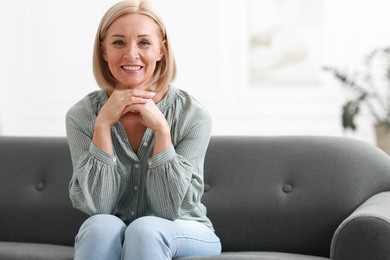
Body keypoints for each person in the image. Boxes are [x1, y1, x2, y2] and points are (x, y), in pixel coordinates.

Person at [65, 0, 221, 259]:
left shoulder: (193, 115)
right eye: (118, 42)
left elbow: (172, 208)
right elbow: (99, 206)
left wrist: (161, 129)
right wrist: (103, 123)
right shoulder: (82, 116)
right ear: (104, 51)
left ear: (162, 50)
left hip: (185, 228)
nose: (131, 54)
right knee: (99, 227)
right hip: (117, 227)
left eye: (144, 43)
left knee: (145, 229)